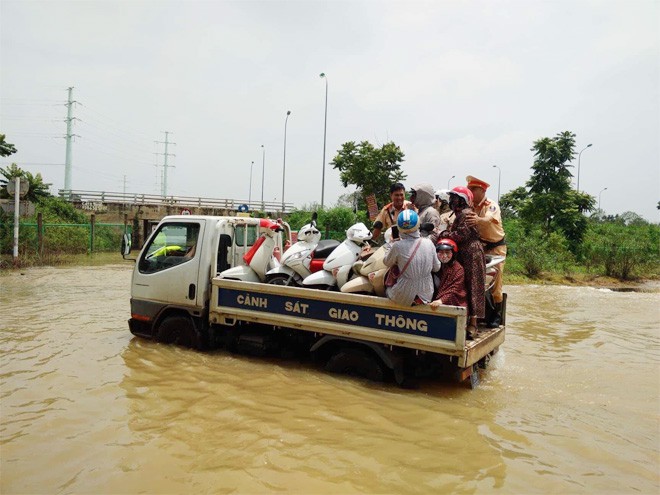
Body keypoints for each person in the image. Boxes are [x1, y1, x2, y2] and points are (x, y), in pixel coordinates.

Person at [439, 186, 485, 337]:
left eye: (454, 198)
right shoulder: (460, 214)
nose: (451, 201)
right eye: (451, 198)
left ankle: (473, 324)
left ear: (462, 200)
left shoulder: (465, 214)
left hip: (472, 254)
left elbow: (461, 235)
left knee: (473, 287)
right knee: (463, 285)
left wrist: (444, 233)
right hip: (464, 253)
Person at [464, 175, 506, 327]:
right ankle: (481, 313)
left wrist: (477, 220)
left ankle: (497, 315)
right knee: (478, 280)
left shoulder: (491, 205)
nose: (470, 192)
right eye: (468, 189)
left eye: (472, 189)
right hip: (480, 248)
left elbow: (488, 219)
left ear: (482, 190)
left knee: (496, 282)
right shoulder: (469, 206)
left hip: (496, 248)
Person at [383, 209, 440, 307]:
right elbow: (437, 268)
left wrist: (391, 244)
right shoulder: (429, 243)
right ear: (418, 225)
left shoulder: (397, 246)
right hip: (425, 295)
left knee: (387, 288)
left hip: (403, 296)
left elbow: (387, 262)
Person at [430, 238, 467, 310]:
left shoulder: (458, 269)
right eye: (441, 252)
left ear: (453, 253)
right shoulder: (434, 266)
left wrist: (441, 300)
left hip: (454, 304)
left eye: (447, 252)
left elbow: (454, 289)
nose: (444, 256)